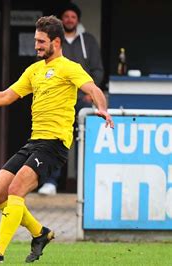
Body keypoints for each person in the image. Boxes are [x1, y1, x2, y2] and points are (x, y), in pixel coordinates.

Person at [0, 16, 113, 263]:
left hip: (54, 144)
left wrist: (102, 109)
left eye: (41, 41)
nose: (37, 46)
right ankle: (40, 233)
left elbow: (93, 89)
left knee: (16, 190)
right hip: (34, 142)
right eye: (35, 41)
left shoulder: (69, 67)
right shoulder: (34, 70)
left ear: (57, 42)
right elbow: (7, 96)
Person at [38, 3, 104, 195]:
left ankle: (83, 185)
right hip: (58, 101)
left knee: (83, 140)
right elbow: (42, 65)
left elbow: (98, 69)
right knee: (56, 140)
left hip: (82, 101)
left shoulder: (88, 41)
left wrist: (89, 93)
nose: (69, 20)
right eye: (66, 16)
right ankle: (51, 182)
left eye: (73, 17)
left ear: (78, 20)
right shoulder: (53, 41)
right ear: (61, 20)